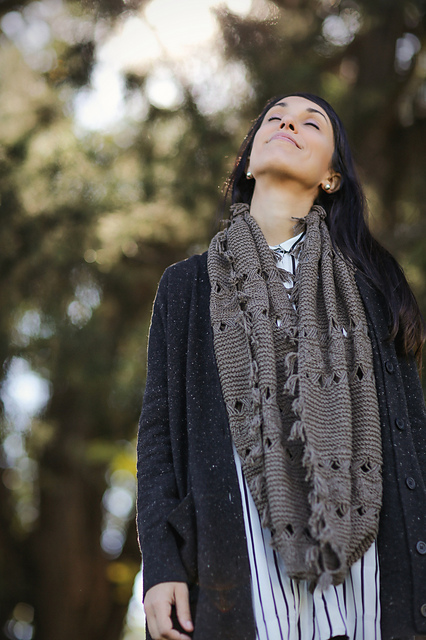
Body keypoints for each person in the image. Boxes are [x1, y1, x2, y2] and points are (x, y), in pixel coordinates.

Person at [136, 93, 426, 640]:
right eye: (276, 118)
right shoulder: (186, 287)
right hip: (239, 567)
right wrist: (161, 563)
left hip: (370, 580)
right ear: (248, 163)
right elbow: (157, 439)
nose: (289, 123)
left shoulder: (373, 290)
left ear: (332, 177)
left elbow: (414, 439)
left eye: (311, 124)